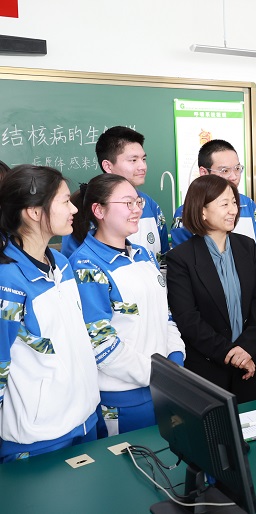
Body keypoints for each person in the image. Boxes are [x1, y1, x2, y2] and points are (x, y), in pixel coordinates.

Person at [68, 174, 185, 437]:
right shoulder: (86, 265)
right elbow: (100, 343)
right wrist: (159, 374)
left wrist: (176, 358)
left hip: (163, 388)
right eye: (127, 203)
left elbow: (165, 315)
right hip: (123, 402)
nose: (136, 210)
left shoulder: (143, 255)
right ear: (99, 210)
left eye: (137, 202)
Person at [0, 165, 100, 462]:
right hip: (38, 438)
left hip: (85, 419)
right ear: (33, 212)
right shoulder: (7, 282)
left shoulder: (61, 263)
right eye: (65, 201)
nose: (74, 209)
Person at [172, 139, 256, 400]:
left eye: (234, 203)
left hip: (251, 360)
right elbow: (188, 319)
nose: (233, 211)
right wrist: (231, 353)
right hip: (210, 366)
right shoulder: (181, 258)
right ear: (202, 212)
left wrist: (247, 348)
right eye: (224, 204)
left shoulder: (246, 246)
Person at [61, 126, 169, 260]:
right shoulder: (82, 208)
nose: (142, 166)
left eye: (144, 159)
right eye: (133, 160)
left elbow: (163, 260)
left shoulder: (151, 206)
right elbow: (73, 264)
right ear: (108, 166)